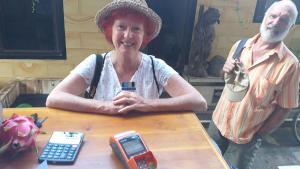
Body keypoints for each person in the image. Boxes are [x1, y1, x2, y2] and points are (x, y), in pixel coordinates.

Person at [46, 0, 207, 115]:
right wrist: (105, 107)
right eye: (121, 27)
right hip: (101, 140)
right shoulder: (96, 63)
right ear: (110, 30)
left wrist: (147, 104)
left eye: (136, 29)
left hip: (146, 140)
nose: (128, 35)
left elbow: (199, 102)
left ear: (145, 35)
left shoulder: (155, 66)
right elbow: (54, 98)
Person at [207, 1, 299, 169]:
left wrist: (259, 134)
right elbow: (227, 81)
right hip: (217, 125)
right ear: (265, 17)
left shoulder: (290, 65)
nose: (276, 22)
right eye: (273, 16)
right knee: (207, 164)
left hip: (245, 139)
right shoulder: (240, 46)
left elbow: (285, 107)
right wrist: (224, 70)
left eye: (284, 20)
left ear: (291, 27)